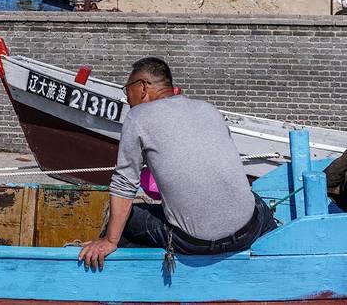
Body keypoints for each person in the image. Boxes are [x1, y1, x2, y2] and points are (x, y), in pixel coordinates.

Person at [79, 57, 276, 271]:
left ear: (142, 87)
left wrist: (110, 240)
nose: (127, 98)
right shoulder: (207, 109)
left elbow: (124, 184)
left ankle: (140, 274)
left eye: (127, 89)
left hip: (194, 243)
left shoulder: (137, 117)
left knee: (127, 219)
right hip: (249, 230)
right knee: (257, 203)